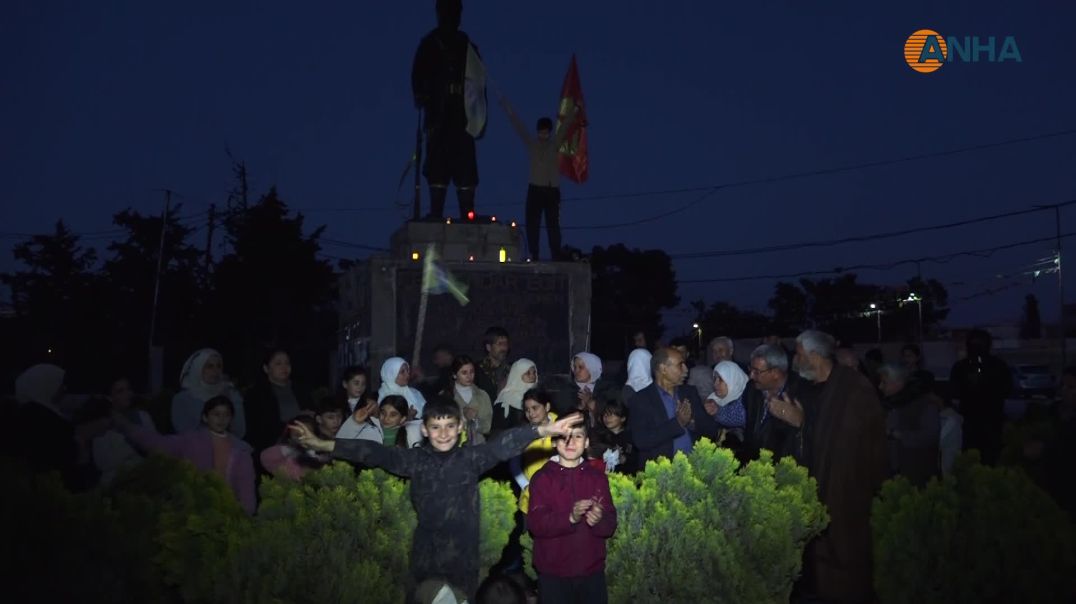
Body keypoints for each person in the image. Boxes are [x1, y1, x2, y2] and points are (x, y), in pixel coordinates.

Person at [290, 398, 583, 600]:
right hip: (426, 559)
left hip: (463, 560)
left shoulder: (470, 459)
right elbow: (373, 453)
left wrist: (542, 430)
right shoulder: (415, 460)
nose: (443, 433)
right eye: (436, 426)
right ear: (425, 429)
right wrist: (323, 443)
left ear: (458, 429)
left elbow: (501, 446)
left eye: (449, 426)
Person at [770, 330, 887, 603]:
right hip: (814, 491)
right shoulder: (806, 388)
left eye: (798, 354)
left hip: (846, 494)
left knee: (846, 563)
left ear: (813, 355)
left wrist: (801, 422)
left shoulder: (853, 388)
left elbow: (851, 444)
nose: (795, 360)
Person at [115, 395, 257, 514]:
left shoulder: (241, 450)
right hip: (193, 510)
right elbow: (157, 444)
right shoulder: (190, 440)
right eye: (216, 414)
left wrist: (244, 516)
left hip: (226, 512)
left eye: (226, 415)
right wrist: (127, 427)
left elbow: (246, 488)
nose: (221, 419)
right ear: (205, 417)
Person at [528, 421, 617, 604]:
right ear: (554, 442)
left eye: (578, 436)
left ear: (586, 443)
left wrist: (598, 520)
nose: (571, 442)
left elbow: (610, 524)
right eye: (564, 436)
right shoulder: (542, 478)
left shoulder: (597, 478)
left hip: (591, 573)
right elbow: (536, 524)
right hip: (553, 574)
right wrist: (570, 517)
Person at [412, 0, 485, 219]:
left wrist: (478, 114)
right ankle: (436, 211)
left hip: (462, 114)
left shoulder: (466, 44)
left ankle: (467, 212)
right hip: (438, 112)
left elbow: (478, 79)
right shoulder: (429, 43)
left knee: (465, 162)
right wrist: (423, 95)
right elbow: (418, 74)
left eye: (456, 12)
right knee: (437, 162)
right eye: (448, 12)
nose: (453, 16)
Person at [497, 92, 578, 261]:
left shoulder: (554, 144)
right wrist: (507, 107)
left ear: (549, 133)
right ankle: (534, 253)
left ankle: (556, 253)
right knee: (532, 223)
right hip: (534, 189)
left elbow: (564, 127)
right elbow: (518, 126)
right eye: (541, 132)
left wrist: (575, 110)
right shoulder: (532, 143)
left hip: (551, 190)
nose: (543, 135)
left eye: (546, 133)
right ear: (538, 132)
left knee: (553, 225)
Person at [627, 347, 719, 467]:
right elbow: (641, 441)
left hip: (694, 469)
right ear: (663, 369)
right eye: (680, 365)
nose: (686, 369)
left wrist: (690, 422)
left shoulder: (689, 393)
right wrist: (678, 423)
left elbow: (711, 430)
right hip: (662, 474)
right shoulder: (641, 399)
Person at [740, 344, 813, 464]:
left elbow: (818, 433)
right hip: (754, 467)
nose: (751, 375)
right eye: (751, 369)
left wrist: (801, 421)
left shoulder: (803, 392)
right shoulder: (751, 389)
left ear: (776, 373)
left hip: (785, 470)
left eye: (757, 371)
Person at [949, 329, 1011, 465]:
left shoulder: (961, 367)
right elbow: (1008, 391)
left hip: (975, 422)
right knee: (989, 460)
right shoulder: (998, 365)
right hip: (989, 421)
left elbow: (954, 395)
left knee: (973, 462)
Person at [878, 363, 940, 487]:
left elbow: (930, 435)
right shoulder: (889, 404)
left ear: (898, 382)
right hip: (896, 470)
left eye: (884, 382)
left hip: (917, 472)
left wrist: (896, 434)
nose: (880, 387)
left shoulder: (924, 404)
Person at [245, 349, 313, 461]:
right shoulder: (256, 394)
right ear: (266, 368)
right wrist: (295, 420)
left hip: (303, 447)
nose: (284, 367)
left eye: (287, 363)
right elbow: (258, 428)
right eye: (278, 363)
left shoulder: (301, 389)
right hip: (271, 449)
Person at [91, 376, 158, 486]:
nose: (127, 394)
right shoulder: (102, 423)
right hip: (114, 484)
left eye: (128, 389)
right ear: (110, 397)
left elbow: (156, 448)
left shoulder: (143, 417)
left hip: (143, 481)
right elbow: (102, 462)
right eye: (120, 391)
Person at [171, 348, 245, 437]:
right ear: (198, 368)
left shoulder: (230, 393)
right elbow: (184, 433)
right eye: (210, 366)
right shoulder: (182, 398)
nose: (215, 371)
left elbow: (239, 431)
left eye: (219, 366)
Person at [445, 355, 493, 444]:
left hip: (478, 446)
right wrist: (463, 417)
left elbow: (487, 427)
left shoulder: (482, 395)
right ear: (454, 375)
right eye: (464, 373)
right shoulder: (445, 396)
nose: (469, 376)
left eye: (472, 372)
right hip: (453, 447)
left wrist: (475, 420)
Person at [702, 360, 748, 442]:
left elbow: (740, 417)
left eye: (721, 379)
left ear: (732, 379)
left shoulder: (747, 397)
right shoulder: (714, 398)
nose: (715, 384)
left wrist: (717, 411)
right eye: (715, 379)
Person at [493, 359, 537, 431]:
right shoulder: (506, 399)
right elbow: (498, 432)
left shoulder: (539, 396)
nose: (532, 376)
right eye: (528, 373)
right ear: (517, 374)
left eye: (534, 373)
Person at [687, 336, 735, 400]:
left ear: (731, 351)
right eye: (714, 351)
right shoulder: (709, 372)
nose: (717, 354)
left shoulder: (742, 371)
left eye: (720, 350)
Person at [476, 327, 511, 404]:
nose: (504, 348)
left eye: (506, 344)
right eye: (500, 344)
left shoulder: (512, 369)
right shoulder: (476, 371)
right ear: (488, 347)